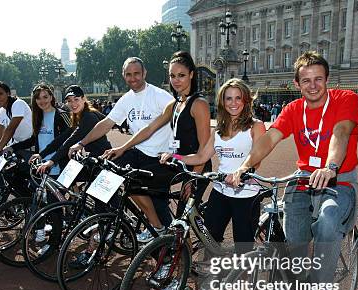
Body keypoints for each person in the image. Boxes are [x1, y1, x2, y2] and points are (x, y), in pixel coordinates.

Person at [230, 51, 358, 290]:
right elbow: (268, 139)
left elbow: (341, 133)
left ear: (327, 80)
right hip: (303, 178)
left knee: (327, 220)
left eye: (318, 79)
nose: (312, 85)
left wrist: (331, 167)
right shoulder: (293, 110)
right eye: (306, 80)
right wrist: (246, 166)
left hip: (339, 178)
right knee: (294, 244)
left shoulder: (346, 99)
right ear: (297, 84)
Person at [101, 51, 211, 243]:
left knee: (182, 223)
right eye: (172, 76)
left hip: (195, 168)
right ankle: (159, 229)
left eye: (181, 75)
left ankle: (184, 255)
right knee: (132, 181)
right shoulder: (175, 103)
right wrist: (123, 148)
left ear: (192, 75)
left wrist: (192, 180)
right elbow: (149, 129)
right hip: (176, 163)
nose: (176, 81)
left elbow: (204, 147)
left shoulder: (198, 104)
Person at [68, 57, 174, 231]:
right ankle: (108, 222)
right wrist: (81, 143)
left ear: (144, 73)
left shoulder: (160, 96)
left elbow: (155, 128)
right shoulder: (126, 99)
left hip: (159, 156)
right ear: (123, 75)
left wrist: (123, 148)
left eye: (137, 74)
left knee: (158, 205)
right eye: (128, 74)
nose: (133, 78)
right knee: (106, 171)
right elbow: (106, 124)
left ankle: (169, 243)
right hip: (138, 151)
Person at [161, 78, 265, 249]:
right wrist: (176, 157)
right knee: (209, 238)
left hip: (245, 194)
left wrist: (241, 171)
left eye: (238, 98)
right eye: (228, 98)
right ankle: (217, 271)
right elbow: (201, 156)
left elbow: (257, 158)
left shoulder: (256, 126)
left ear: (245, 100)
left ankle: (243, 275)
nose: (233, 103)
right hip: (220, 190)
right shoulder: (218, 130)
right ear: (222, 102)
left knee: (243, 247)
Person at [37, 85, 111, 174]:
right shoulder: (81, 115)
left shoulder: (89, 116)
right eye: (69, 101)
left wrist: (52, 161)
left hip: (102, 161)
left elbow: (72, 140)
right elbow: (62, 138)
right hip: (96, 159)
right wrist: (41, 155)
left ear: (83, 99)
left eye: (76, 99)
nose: (73, 103)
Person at [9, 83, 72, 176]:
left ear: (51, 97)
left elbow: (65, 140)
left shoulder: (62, 115)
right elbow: (33, 140)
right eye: (38, 98)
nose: (42, 101)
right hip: (41, 166)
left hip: (59, 165)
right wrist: (12, 148)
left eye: (45, 97)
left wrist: (44, 155)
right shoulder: (37, 117)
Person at [0, 81, 33, 161]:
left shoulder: (18, 104)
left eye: (1, 93)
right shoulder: (2, 111)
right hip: (17, 145)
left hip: (30, 145)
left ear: (8, 93)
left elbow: (10, 129)